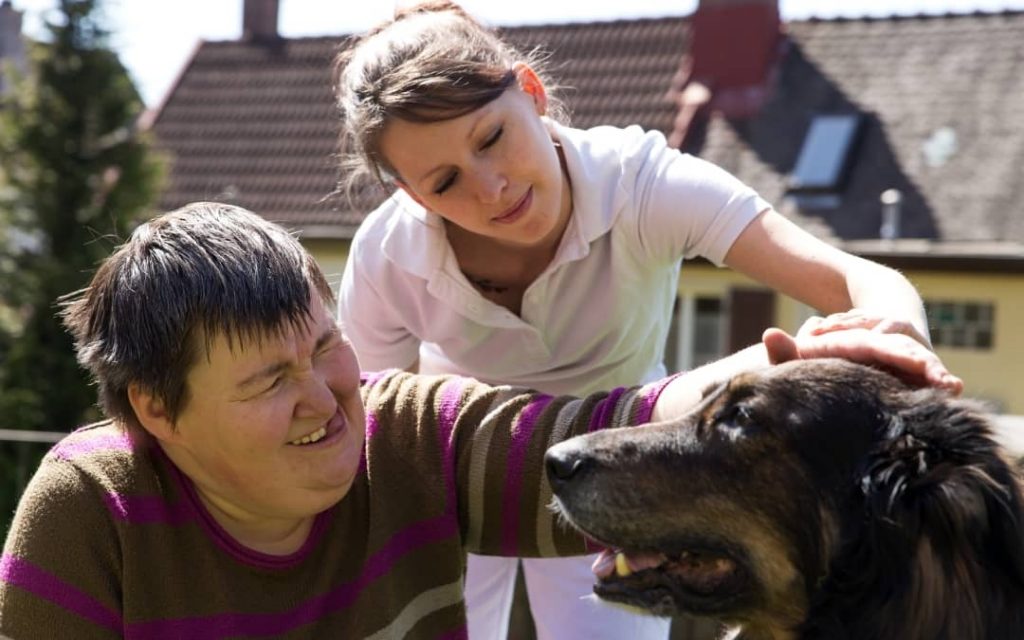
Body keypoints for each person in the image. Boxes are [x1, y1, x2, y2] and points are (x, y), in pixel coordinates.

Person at [0, 202, 957, 639]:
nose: (328, 396)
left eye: (325, 347)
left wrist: (812, 356)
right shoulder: (86, 517)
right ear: (155, 412)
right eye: (266, 381)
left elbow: (605, 425)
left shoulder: (407, 434)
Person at [332, 2, 948, 638]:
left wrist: (902, 341)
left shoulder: (642, 183)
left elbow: (862, 281)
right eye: (444, 182)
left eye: (491, 138)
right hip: (461, 477)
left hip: (617, 462)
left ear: (533, 93)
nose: (490, 189)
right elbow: (377, 429)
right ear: (408, 193)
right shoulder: (387, 254)